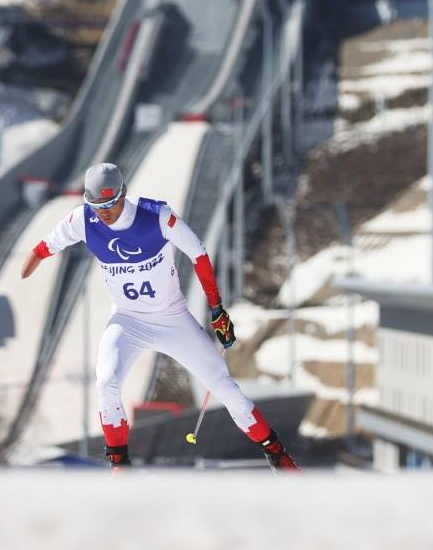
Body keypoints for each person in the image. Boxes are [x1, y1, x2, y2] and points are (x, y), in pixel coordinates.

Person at [21, 162, 300, 472]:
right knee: (107, 384)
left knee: (225, 388)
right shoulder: (82, 220)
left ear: (122, 195)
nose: (104, 212)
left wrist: (217, 310)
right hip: (128, 321)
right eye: (97, 205)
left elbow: (198, 253)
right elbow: (45, 246)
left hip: (173, 320)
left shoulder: (157, 216)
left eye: (110, 204)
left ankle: (277, 453)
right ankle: (119, 466)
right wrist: (31, 262)